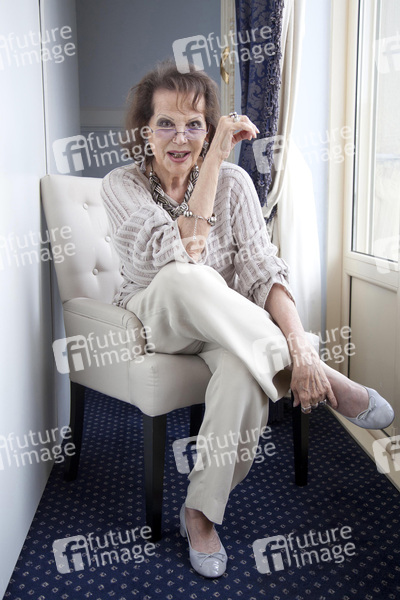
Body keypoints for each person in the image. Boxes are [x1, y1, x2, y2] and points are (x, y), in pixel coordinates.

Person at [101, 61, 394, 579]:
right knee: (183, 276)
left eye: (195, 124)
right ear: (145, 130)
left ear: (208, 128)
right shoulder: (120, 185)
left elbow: (263, 272)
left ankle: (200, 512)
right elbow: (185, 250)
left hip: (225, 329)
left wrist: (297, 342)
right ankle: (328, 379)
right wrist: (215, 155)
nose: (180, 137)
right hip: (157, 319)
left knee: (243, 371)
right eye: (166, 123)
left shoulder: (236, 184)